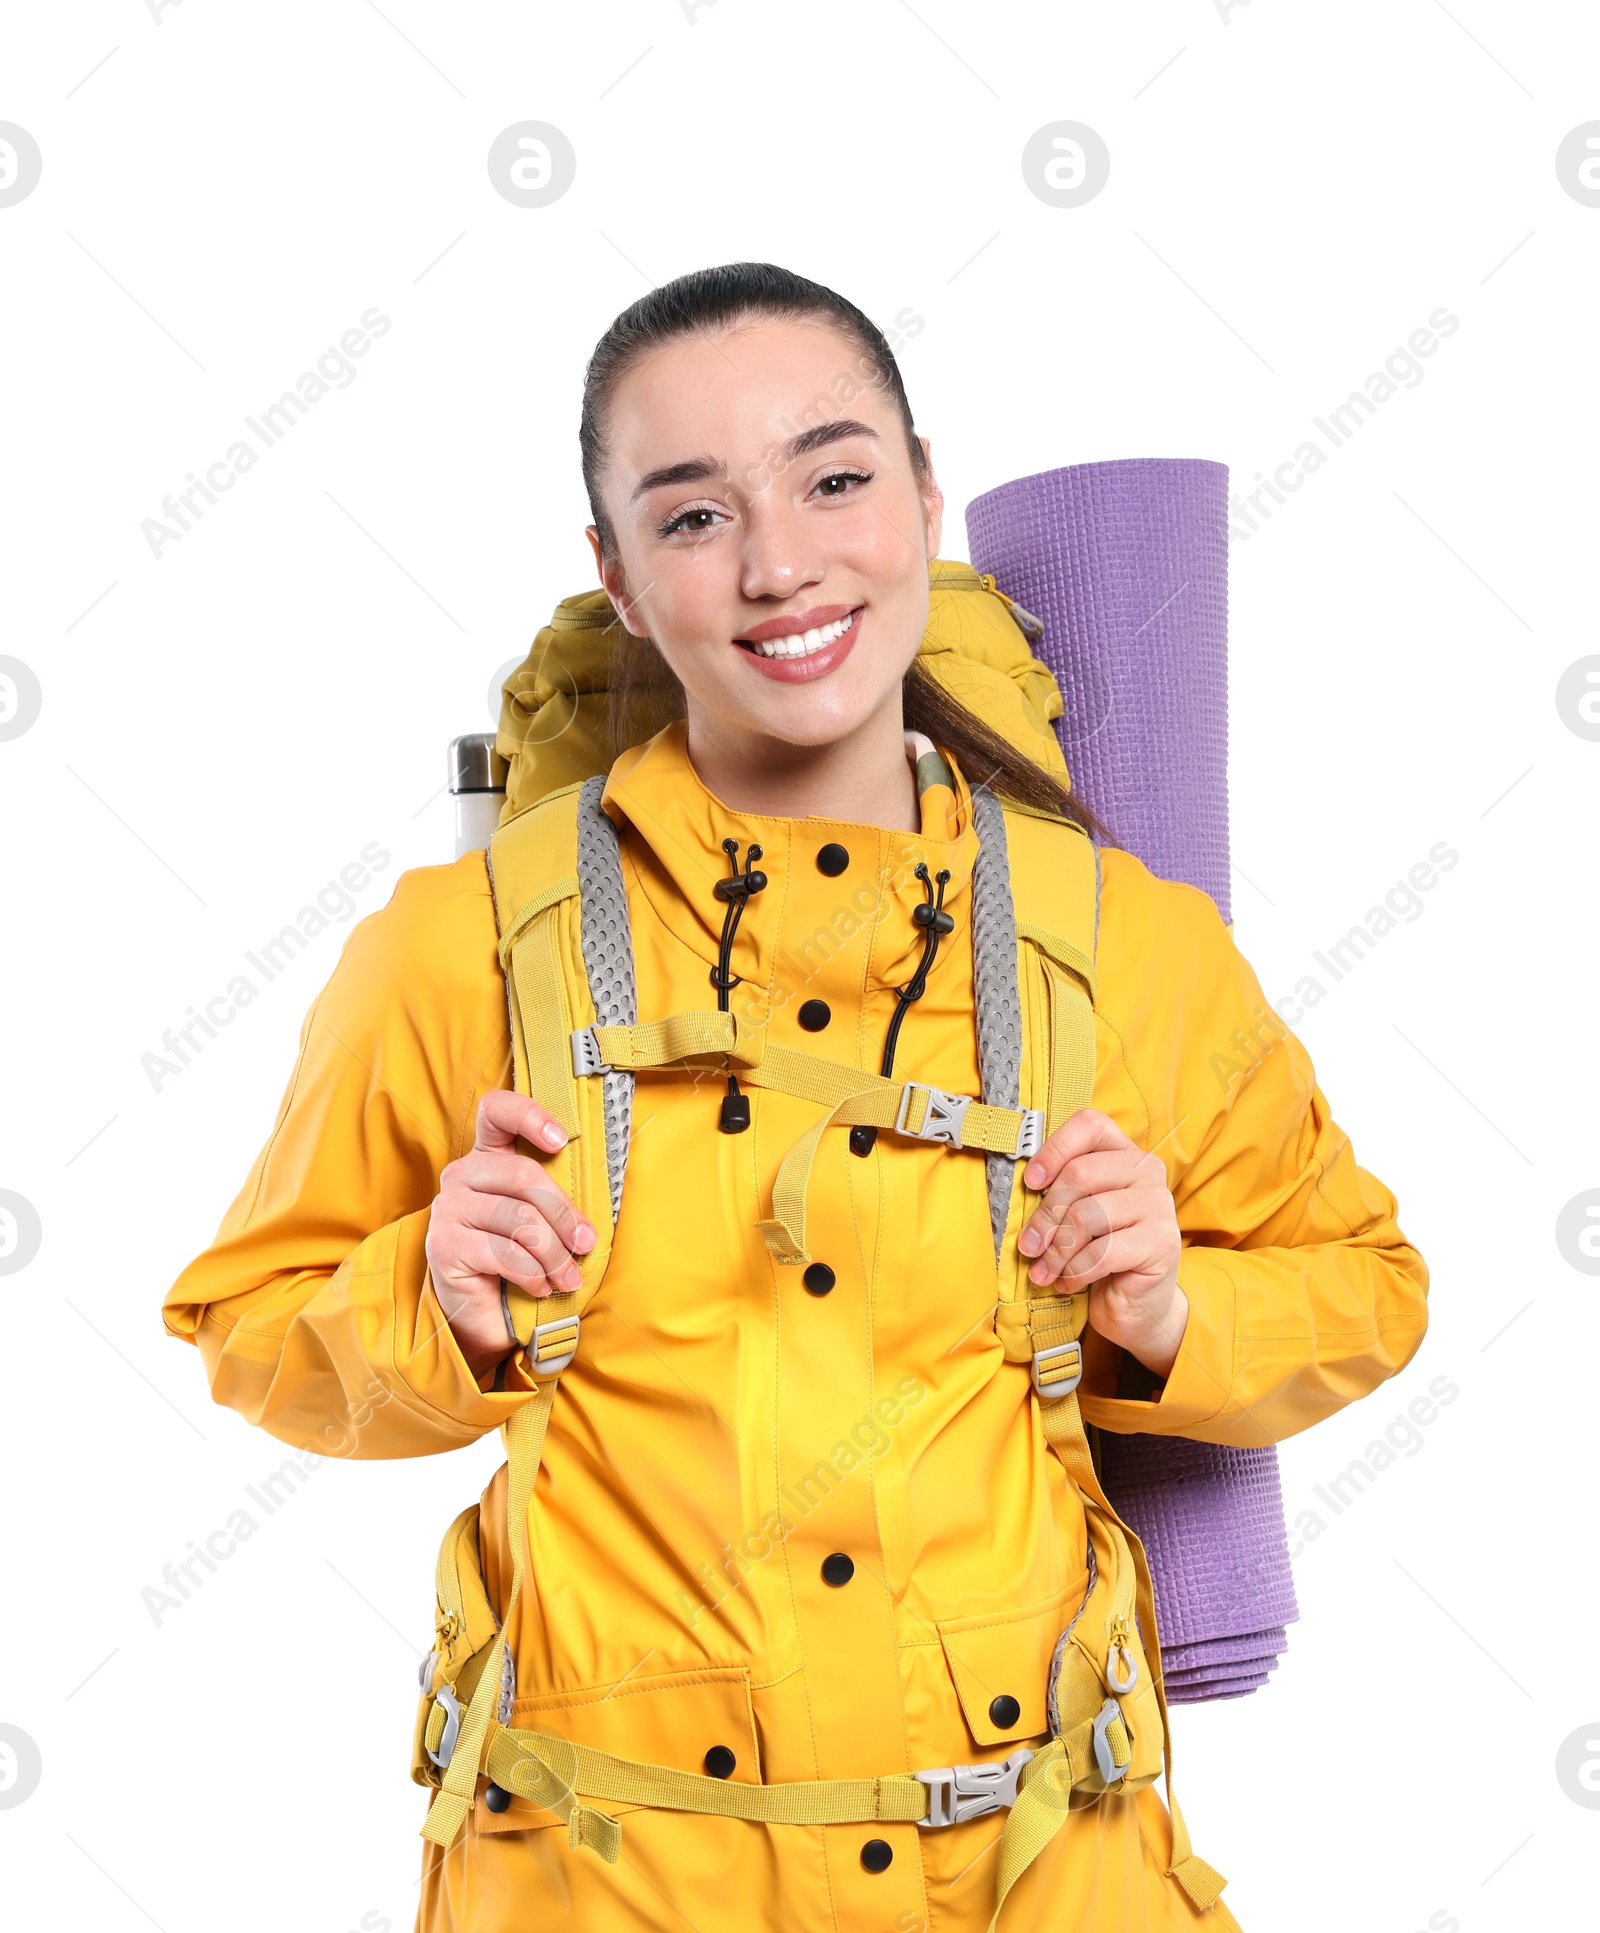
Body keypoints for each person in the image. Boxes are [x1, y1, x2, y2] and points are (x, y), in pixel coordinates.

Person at [163, 262, 1430, 1932]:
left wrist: (1166, 1307)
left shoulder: (1126, 944)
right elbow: (244, 1318)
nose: (780, 564)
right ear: (616, 574)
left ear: (922, 492)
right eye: (693, 518)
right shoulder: (461, 948)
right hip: (608, 1887)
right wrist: (431, 1296)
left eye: (835, 479)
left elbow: (1369, 1287)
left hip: (1048, 1876)